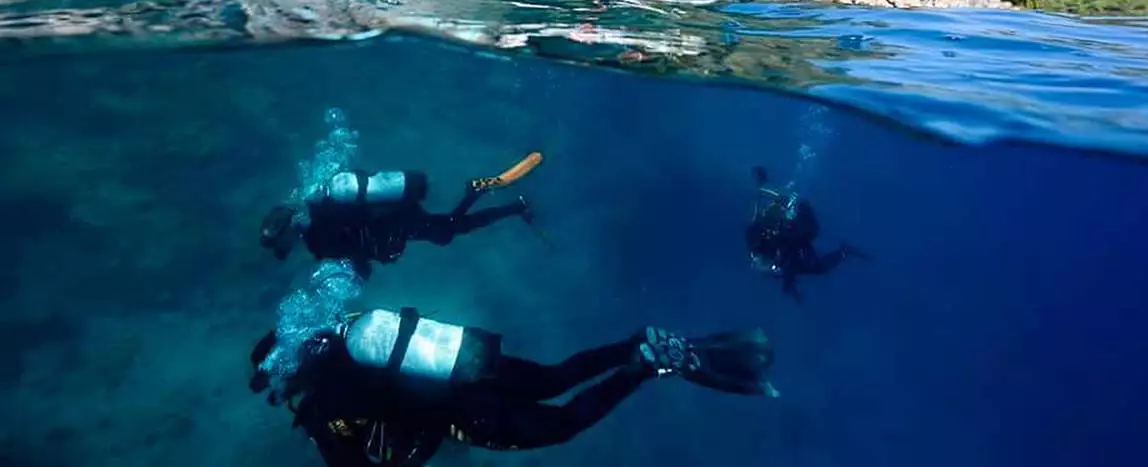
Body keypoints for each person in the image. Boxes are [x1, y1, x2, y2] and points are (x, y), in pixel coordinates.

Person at [249, 276, 779, 467]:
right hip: (471, 361)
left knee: (563, 424)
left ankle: (643, 367)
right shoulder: (350, 332)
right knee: (555, 376)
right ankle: (635, 343)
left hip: (461, 411)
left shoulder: (322, 412)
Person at [260, 153, 543, 277]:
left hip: (398, 220)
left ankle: (480, 191)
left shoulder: (317, 240)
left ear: (287, 234)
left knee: (450, 230)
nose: (287, 250)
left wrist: (375, 257)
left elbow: (359, 253)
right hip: (397, 217)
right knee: (450, 230)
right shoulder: (318, 205)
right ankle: (511, 206)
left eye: (282, 247)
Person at [746, 166, 867, 303]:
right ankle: (844, 252)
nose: (773, 269)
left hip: (798, 231)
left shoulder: (771, 241)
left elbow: (790, 256)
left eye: (771, 268)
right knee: (803, 264)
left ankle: (844, 252)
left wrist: (788, 281)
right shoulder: (760, 242)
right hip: (792, 231)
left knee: (814, 266)